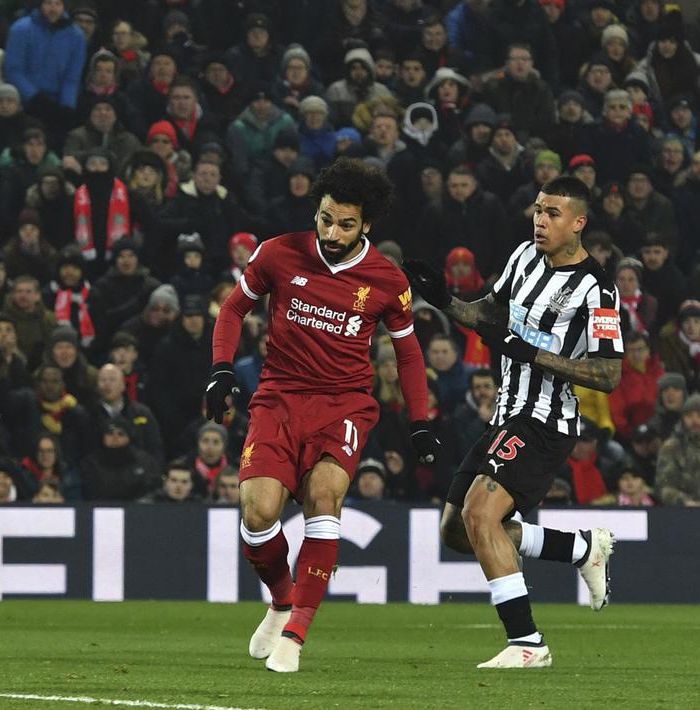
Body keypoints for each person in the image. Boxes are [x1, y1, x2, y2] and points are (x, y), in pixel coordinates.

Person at [204, 158, 440, 673]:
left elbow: (408, 354)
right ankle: (282, 598)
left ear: (368, 225)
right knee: (257, 513)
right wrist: (221, 369)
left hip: (345, 404)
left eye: (346, 224)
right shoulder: (278, 253)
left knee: (324, 498)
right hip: (279, 398)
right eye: (326, 218)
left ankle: (296, 631)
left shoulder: (385, 280)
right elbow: (231, 309)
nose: (332, 232)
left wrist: (419, 421)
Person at [404, 176, 622, 669]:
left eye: (553, 214)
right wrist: (443, 298)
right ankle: (581, 549)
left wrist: (538, 356)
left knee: (481, 515)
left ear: (579, 223)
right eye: (538, 210)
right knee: (457, 530)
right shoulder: (523, 256)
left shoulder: (597, 289)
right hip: (507, 413)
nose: (540, 220)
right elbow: (489, 315)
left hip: (545, 421)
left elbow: (609, 374)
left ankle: (527, 643)